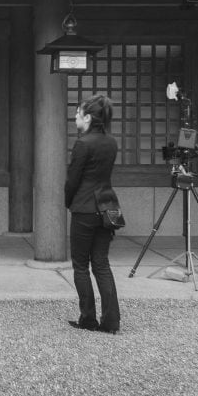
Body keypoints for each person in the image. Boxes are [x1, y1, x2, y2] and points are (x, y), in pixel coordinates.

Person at [64, 94, 122, 335]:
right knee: (101, 264)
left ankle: (88, 318)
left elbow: (72, 180)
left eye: (78, 113)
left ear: (88, 117)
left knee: (80, 266)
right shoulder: (111, 142)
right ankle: (111, 321)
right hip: (107, 207)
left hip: (84, 209)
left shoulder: (83, 144)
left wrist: (69, 203)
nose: (76, 116)